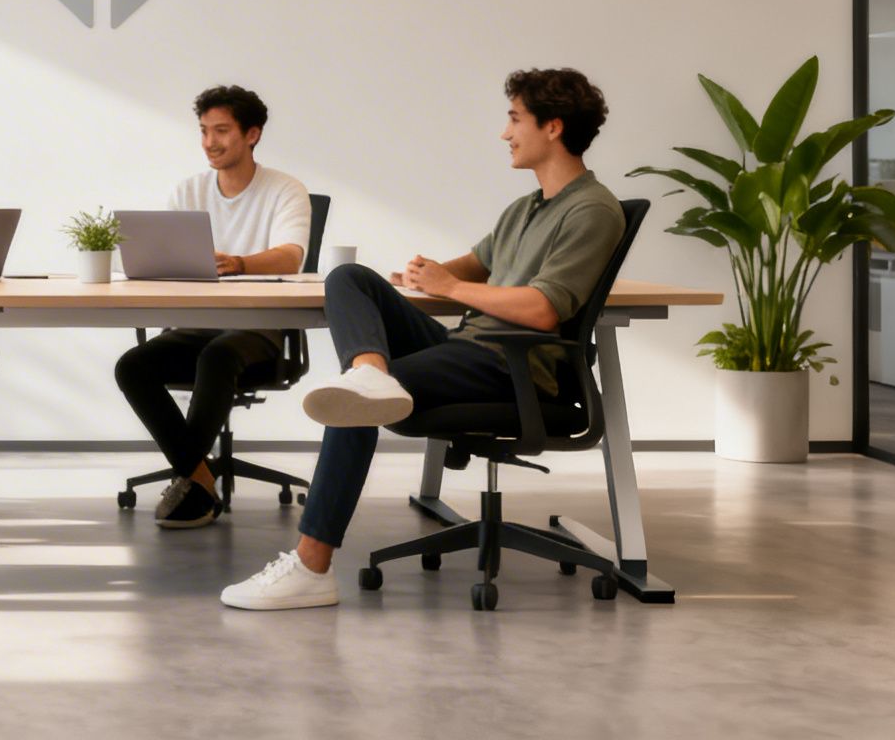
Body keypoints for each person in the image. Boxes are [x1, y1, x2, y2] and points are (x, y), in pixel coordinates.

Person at [220, 68, 624, 609]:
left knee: (353, 405)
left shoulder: (592, 210)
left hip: (511, 366)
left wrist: (451, 285)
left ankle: (312, 566)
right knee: (348, 278)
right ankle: (370, 370)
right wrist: (417, 277)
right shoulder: (528, 207)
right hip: (470, 348)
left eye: (514, 119)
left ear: (553, 127)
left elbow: (544, 309)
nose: (505, 133)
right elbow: (478, 264)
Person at [114, 85, 312, 529]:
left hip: (259, 328)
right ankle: (200, 477)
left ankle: (191, 484)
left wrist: (240, 263)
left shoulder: (285, 190)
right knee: (132, 366)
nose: (209, 142)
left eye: (221, 131)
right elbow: (165, 259)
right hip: (195, 324)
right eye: (203, 131)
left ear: (252, 134)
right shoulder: (188, 191)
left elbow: (290, 256)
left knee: (218, 356)